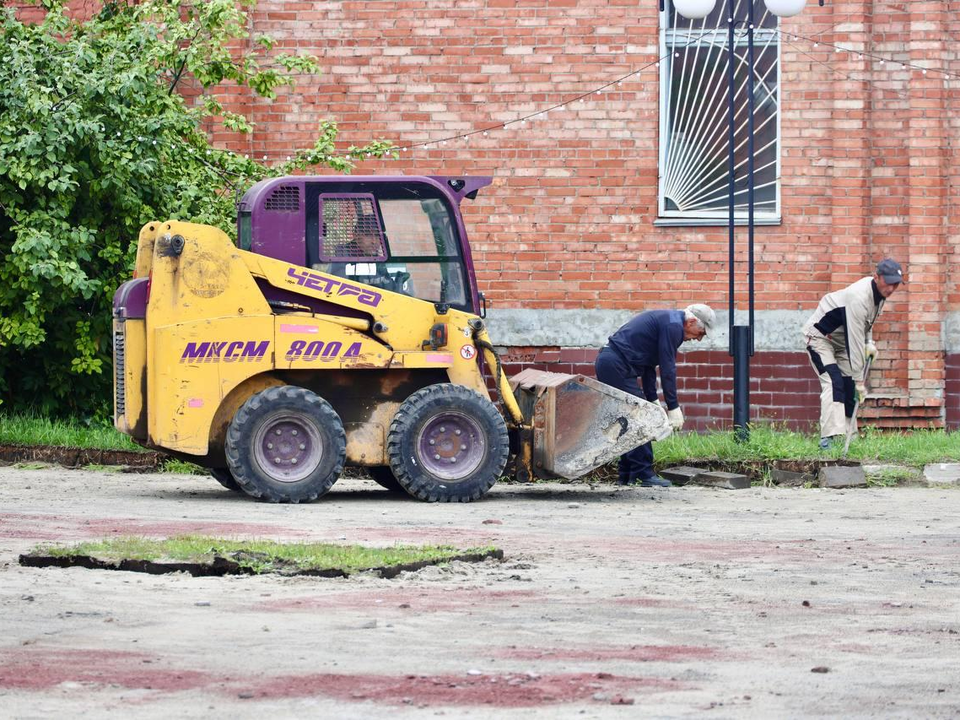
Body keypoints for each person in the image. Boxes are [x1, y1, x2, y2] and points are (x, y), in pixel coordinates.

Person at [595, 304, 716, 487]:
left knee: (627, 419)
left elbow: (649, 366)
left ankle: (627, 473)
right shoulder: (673, 326)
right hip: (616, 365)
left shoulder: (669, 321)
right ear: (691, 321)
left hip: (612, 363)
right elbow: (668, 368)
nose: (698, 339)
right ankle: (643, 474)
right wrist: (673, 407)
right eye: (701, 333)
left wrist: (653, 400)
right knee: (640, 418)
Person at [803, 258, 903, 449]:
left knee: (848, 388)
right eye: (889, 282)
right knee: (834, 382)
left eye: (896, 284)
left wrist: (869, 343)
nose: (891, 288)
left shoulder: (879, 295)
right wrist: (860, 380)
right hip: (820, 339)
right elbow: (854, 338)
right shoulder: (858, 296)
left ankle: (849, 439)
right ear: (876, 277)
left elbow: (866, 324)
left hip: (841, 342)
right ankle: (828, 441)